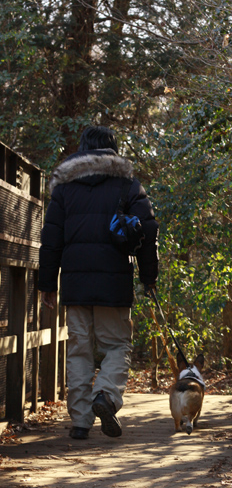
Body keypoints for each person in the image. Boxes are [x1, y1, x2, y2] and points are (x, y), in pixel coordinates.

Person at [38, 126, 159, 439]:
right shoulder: (128, 184)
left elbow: (51, 238)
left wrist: (47, 283)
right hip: (114, 285)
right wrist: (149, 278)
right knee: (116, 344)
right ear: (112, 150)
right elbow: (147, 232)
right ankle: (105, 396)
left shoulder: (65, 187)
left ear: (81, 149)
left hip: (76, 285)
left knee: (79, 351)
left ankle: (80, 422)